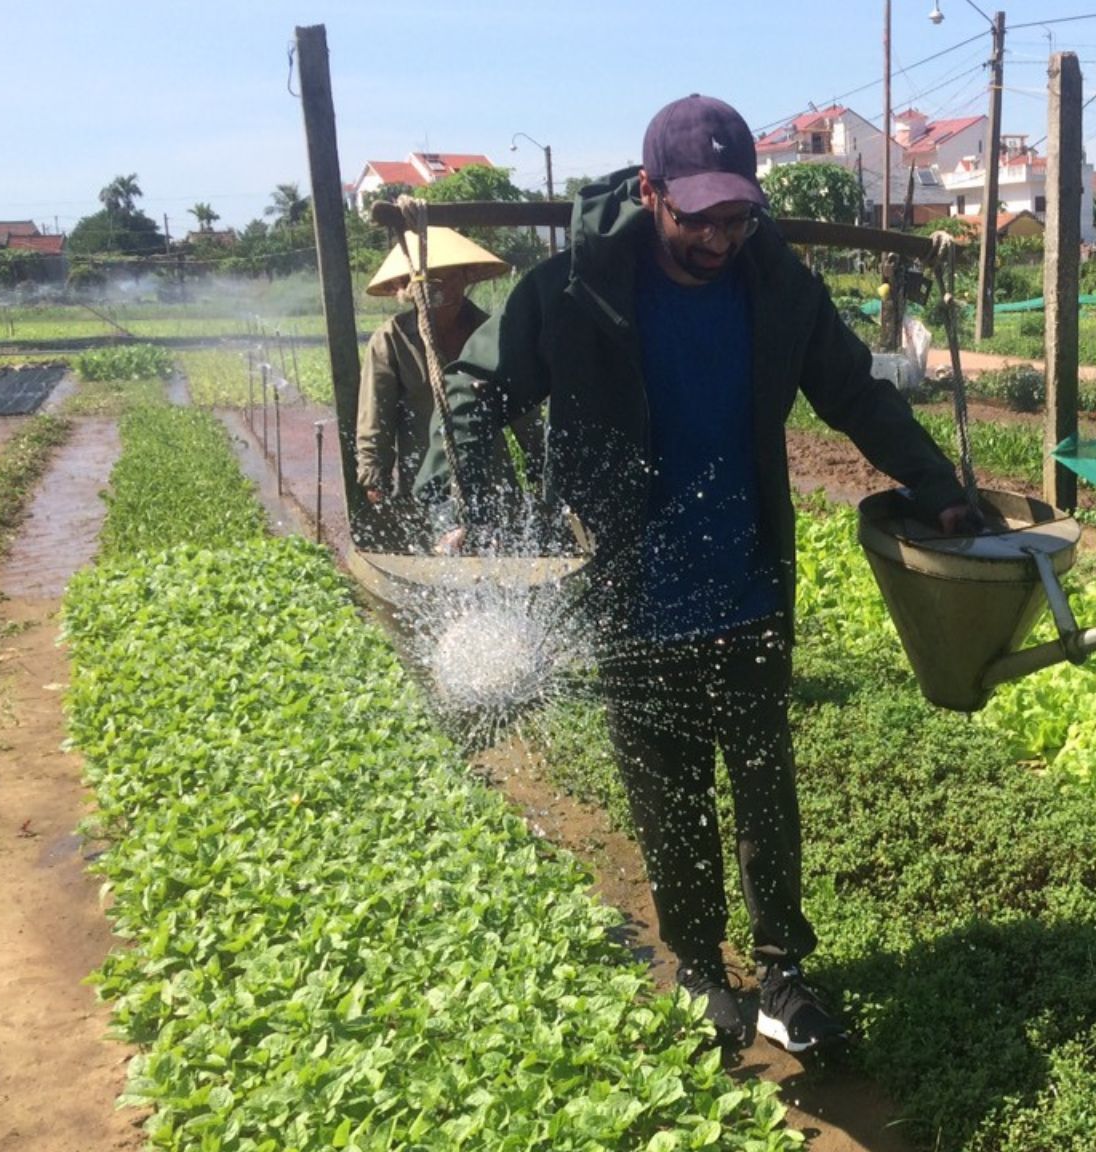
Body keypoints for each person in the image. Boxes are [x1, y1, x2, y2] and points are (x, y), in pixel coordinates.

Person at [421, 94, 975, 1053]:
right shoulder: (573, 292)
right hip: (631, 598)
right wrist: (476, 506)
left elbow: (852, 393)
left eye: (737, 216)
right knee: (669, 797)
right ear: (650, 193)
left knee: (766, 787)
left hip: (749, 581)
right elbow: (475, 387)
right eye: (698, 218)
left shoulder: (779, 290)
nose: (720, 238)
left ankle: (781, 977)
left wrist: (935, 482)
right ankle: (701, 972)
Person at [357, 227, 540, 550]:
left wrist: (542, 461)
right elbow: (376, 417)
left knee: (499, 555)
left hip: (491, 476)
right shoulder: (390, 340)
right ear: (407, 288)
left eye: (450, 276)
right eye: (430, 280)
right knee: (440, 558)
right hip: (427, 479)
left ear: (466, 278)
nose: (441, 288)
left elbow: (523, 410)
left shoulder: (494, 334)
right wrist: (375, 475)